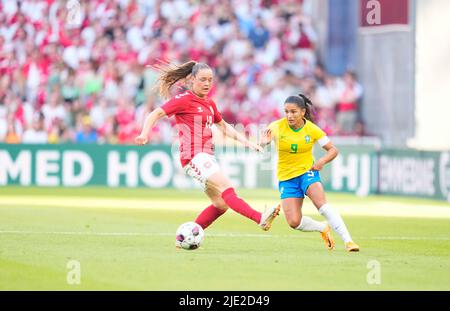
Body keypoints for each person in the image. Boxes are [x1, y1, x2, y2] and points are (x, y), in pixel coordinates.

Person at [135, 61, 280, 233]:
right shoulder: (184, 100)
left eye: (210, 80)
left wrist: (247, 142)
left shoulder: (209, 103)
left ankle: (187, 235)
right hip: (193, 156)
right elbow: (156, 113)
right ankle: (260, 218)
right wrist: (145, 133)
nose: (206, 84)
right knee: (227, 187)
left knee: (221, 204)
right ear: (192, 79)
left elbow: (224, 126)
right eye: (202, 79)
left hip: (206, 155)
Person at [259, 94, 359, 252]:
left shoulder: (312, 129)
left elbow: (333, 150)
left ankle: (349, 241)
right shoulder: (277, 126)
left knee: (323, 206)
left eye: (293, 112)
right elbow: (261, 142)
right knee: (294, 222)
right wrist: (263, 143)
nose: (289, 116)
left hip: (307, 172)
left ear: (303, 112)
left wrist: (321, 162)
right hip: (286, 178)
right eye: (286, 112)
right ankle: (322, 227)